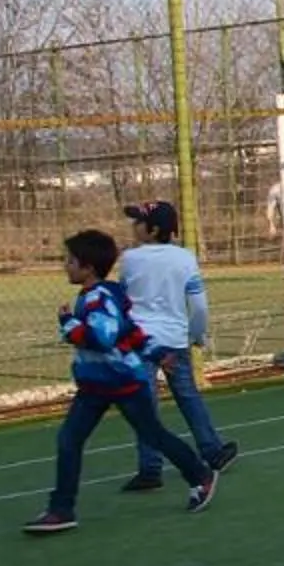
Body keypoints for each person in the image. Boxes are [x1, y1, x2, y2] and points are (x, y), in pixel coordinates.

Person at [23, 229, 217, 534]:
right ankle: (61, 510)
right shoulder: (103, 294)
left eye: (70, 261)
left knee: (153, 435)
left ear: (88, 267)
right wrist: (155, 352)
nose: (66, 266)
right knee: (69, 441)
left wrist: (68, 324)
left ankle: (200, 476)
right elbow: (130, 331)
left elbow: (103, 338)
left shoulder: (98, 299)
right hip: (95, 386)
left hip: (122, 382)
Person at [118, 199, 239, 492]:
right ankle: (212, 451)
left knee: (145, 405)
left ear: (153, 229)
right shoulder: (185, 258)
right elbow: (198, 305)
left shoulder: (130, 259)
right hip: (174, 340)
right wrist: (197, 334)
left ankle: (150, 469)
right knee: (188, 397)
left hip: (140, 342)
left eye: (139, 221)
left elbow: (123, 299)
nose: (134, 226)